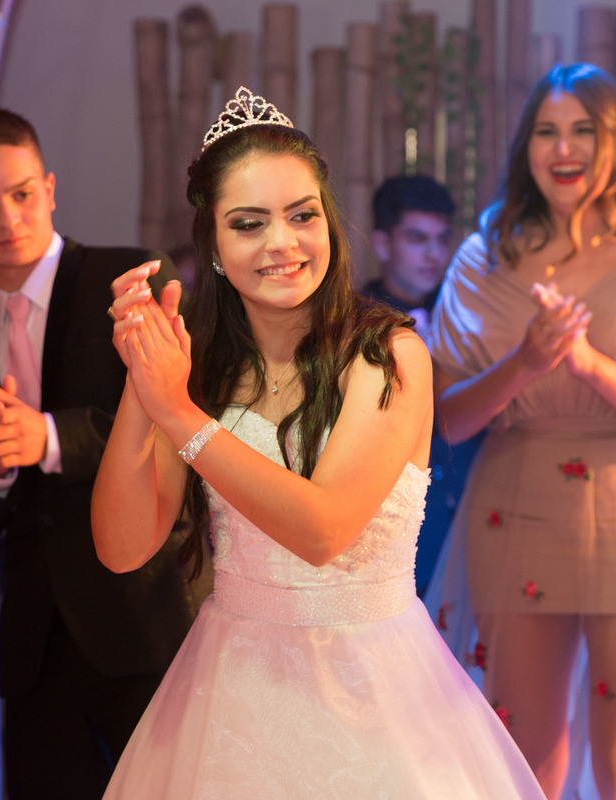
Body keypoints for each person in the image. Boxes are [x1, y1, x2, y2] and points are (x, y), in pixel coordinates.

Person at [91, 86, 545, 799]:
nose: (282, 243)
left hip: (374, 695)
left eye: (302, 215)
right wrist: (143, 377)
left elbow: (324, 529)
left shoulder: (387, 354)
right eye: (249, 224)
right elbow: (122, 548)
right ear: (214, 248)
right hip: (230, 692)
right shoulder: (203, 371)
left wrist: (177, 413)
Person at [427, 63, 616, 799]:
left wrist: (591, 366)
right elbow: (449, 420)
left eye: (583, 131)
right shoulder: (483, 257)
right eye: (547, 131)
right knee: (521, 758)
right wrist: (527, 363)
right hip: (517, 505)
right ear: (526, 147)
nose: (563, 149)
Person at [0, 106, 194, 800]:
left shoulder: (127, 282)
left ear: (49, 189)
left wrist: (47, 438)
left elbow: (182, 423)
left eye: (21, 194)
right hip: (36, 648)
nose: (7, 219)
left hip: (144, 619)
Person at [361, 174, 479, 592]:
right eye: (417, 239)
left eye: (442, 240)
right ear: (382, 244)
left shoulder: (468, 319)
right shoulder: (353, 326)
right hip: (393, 530)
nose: (433, 254)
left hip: (469, 516)